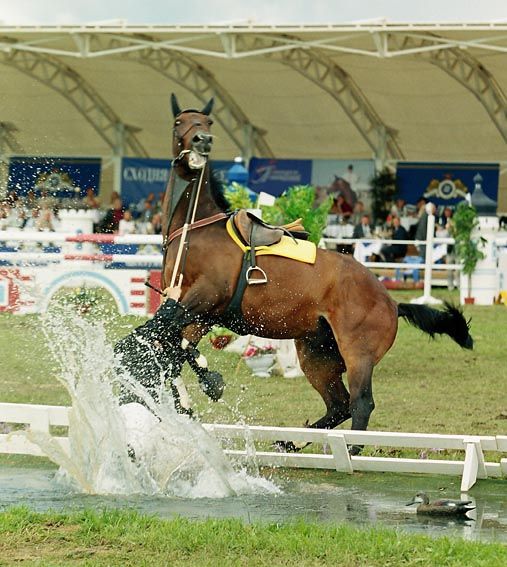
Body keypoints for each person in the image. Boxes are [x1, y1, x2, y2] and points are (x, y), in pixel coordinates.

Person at [114, 283, 224, 409]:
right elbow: (159, 322)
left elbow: (160, 323)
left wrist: (205, 376)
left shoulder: (171, 345)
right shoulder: (142, 340)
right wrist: (172, 299)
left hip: (139, 406)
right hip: (138, 406)